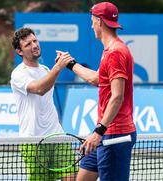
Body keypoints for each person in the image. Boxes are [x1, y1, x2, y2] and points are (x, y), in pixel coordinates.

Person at [58, 2, 137, 181]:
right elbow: (97, 80)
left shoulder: (115, 52)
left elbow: (117, 96)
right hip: (106, 133)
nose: (91, 25)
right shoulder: (111, 50)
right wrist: (70, 63)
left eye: (92, 21)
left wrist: (98, 132)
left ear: (100, 22)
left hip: (115, 135)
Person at [10, 27, 76, 181]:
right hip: (33, 141)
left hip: (57, 136)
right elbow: (39, 89)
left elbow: (47, 100)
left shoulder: (46, 70)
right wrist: (58, 66)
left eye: (35, 41)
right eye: (28, 44)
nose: (34, 45)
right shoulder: (18, 73)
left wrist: (55, 69)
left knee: (73, 178)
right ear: (19, 51)